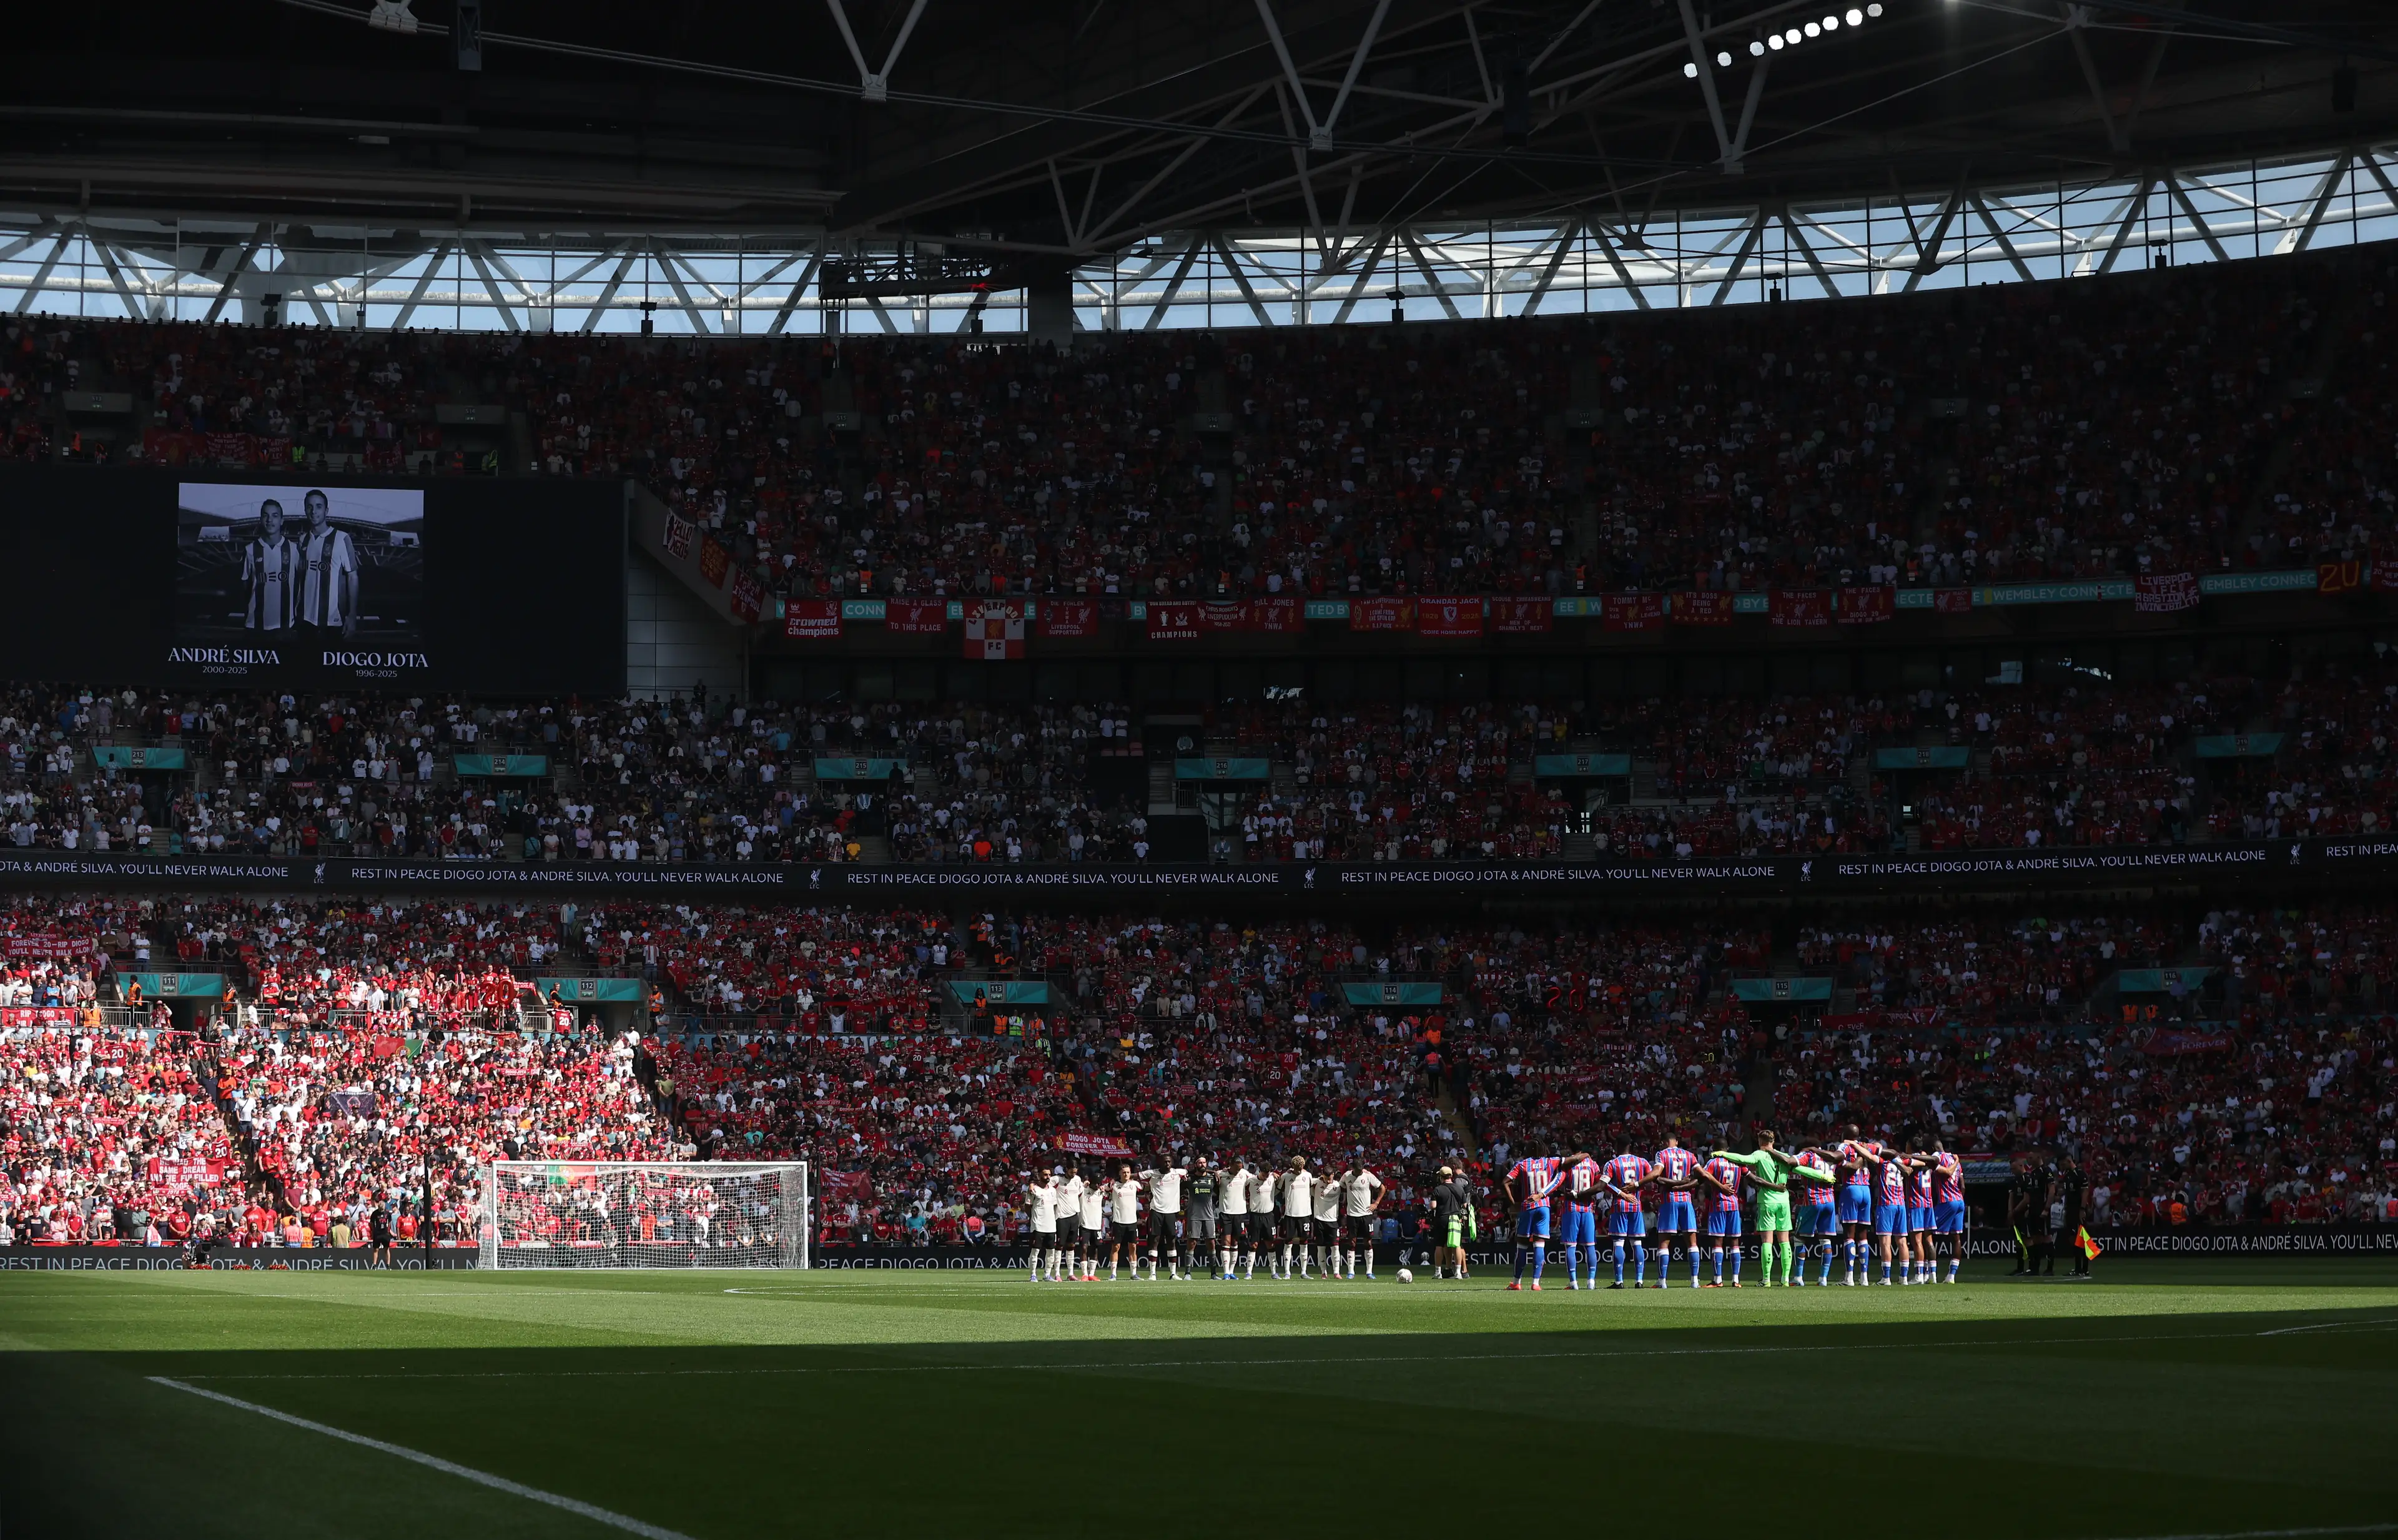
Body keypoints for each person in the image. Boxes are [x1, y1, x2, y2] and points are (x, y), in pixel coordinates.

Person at [1710, 1132, 1832, 1287]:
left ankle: (1766, 1280)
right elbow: (1801, 1170)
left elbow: (1743, 1159)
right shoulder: (1783, 1156)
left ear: (1760, 1140)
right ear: (1773, 1141)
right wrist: (1822, 1177)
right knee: (1784, 1241)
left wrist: (1722, 1154)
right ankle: (1785, 1280)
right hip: (1784, 1202)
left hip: (1767, 1201)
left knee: (1767, 1241)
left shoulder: (1760, 1154)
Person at [294, 488, 360, 641]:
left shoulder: (342, 538)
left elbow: (352, 578)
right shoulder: (303, 540)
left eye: (318, 506)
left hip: (333, 621)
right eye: (309, 507)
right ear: (305, 510)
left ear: (326, 510)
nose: (314, 511)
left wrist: (352, 615)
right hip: (305, 619)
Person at [1503, 1147, 1561, 1291]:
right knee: (1539, 1245)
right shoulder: (1550, 1162)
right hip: (1544, 1207)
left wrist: (1513, 1202)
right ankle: (1536, 1283)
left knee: (1522, 1246)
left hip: (1527, 1206)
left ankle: (1517, 1282)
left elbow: (1505, 1182)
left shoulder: (1522, 1164)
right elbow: (1570, 1161)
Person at [1650, 1133, 1704, 1290]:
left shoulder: (1662, 1154)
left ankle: (1662, 1281)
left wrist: (1675, 1185)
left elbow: (1657, 1177)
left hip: (1669, 1200)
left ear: (1663, 1143)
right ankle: (1695, 1281)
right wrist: (1683, 1185)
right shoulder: (1689, 1155)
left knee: (1664, 1242)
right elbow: (1700, 1178)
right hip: (1686, 1201)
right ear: (1677, 1142)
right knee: (1692, 1243)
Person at [1867, 1143, 1922, 1285]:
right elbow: (1922, 1162)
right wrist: (1910, 1158)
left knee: (1885, 1242)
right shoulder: (1902, 1160)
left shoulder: (1881, 1161)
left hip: (1886, 1204)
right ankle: (1903, 1278)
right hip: (1901, 1204)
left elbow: (1868, 1155)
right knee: (1902, 1242)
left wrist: (1856, 1145)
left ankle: (1886, 1278)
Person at [1601, 1143, 1654, 1288]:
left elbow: (1605, 1184)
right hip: (1636, 1205)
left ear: (1616, 1149)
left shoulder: (1612, 1163)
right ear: (1630, 1147)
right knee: (1637, 1244)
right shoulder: (1641, 1162)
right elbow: (1652, 1177)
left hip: (1620, 1206)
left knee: (1619, 1243)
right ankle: (1639, 1281)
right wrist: (1638, 1185)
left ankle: (1619, 1281)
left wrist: (1621, 1194)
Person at [242, 498, 299, 633]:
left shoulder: (294, 550)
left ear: (282, 521)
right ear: (261, 520)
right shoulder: (250, 550)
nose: (270, 520)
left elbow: (301, 585)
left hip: (286, 626)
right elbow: (245, 586)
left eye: (275, 516)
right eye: (265, 515)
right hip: (255, 625)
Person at [1835, 1127, 1882, 1286]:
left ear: (1846, 1136)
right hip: (1866, 1190)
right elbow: (1880, 1148)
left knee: (1849, 1235)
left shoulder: (1845, 1146)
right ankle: (1865, 1278)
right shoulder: (1867, 1146)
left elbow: (1843, 1162)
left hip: (1851, 1188)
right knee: (1863, 1236)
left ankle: (1849, 1277)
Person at [1695, 1149, 1747, 1288]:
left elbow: (1703, 1174)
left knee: (1718, 1243)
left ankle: (1718, 1280)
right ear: (1728, 1150)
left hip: (1718, 1204)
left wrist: (1720, 1186)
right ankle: (1736, 1280)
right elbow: (1749, 1176)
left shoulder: (1715, 1162)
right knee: (1735, 1243)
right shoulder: (1737, 1162)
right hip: (1734, 1205)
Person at [1557, 1150, 1607, 1290]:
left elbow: (1559, 1182)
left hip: (1571, 1208)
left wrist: (1565, 1190)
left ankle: (1574, 1283)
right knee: (1590, 1246)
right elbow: (1599, 1182)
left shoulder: (1568, 1164)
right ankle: (1591, 1281)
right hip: (1588, 1209)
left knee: (1570, 1247)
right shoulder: (1593, 1164)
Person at [1138, 1157, 1187, 1280]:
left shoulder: (1178, 1173)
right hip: (1156, 1212)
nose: (1168, 1163)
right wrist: (1117, 1180)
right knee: (1154, 1240)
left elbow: (1190, 1171)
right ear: (1160, 1162)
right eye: (1165, 1161)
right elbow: (1133, 1176)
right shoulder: (1152, 1174)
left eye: (1170, 1161)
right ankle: (1152, 1273)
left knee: (1172, 1241)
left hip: (1171, 1213)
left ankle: (1173, 1273)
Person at [1339, 1159, 1384, 1280]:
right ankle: (1351, 1272)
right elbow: (1341, 1187)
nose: (1359, 1172)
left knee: (1368, 1242)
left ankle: (1369, 1272)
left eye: (1361, 1170)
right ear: (1352, 1168)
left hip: (1366, 1214)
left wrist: (1376, 1203)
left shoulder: (1368, 1176)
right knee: (1352, 1243)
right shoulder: (1347, 1176)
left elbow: (1382, 1188)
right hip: (1352, 1215)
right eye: (1357, 1170)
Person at [1929, 1143, 1967, 1283]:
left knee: (1927, 1234)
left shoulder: (1937, 1157)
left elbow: (1945, 1172)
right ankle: (1952, 1276)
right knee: (1956, 1239)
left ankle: (1929, 1273)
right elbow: (1962, 1186)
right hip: (1960, 1201)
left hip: (1947, 1201)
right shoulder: (1954, 1159)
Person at [1277, 1158, 1315, 1281]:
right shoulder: (1285, 1176)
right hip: (1290, 1214)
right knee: (1288, 1242)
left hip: (1305, 1214)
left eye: (1301, 1168)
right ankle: (1287, 1272)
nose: (1299, 1171)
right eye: (1297, 1168)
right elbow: (1278, 1189)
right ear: (1292, 1166)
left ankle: (1304, 1272)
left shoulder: (1308, 1176)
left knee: (1304, 1242)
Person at [1183, 1155, 1218, 1281]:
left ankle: (1214, 1274)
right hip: (1194, 1215)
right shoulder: (1190, 1179)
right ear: (1196, 1164)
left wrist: (1214, 1172)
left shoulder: (1212, 1178)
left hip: (1209, 1215)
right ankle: (1187, 1273)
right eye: (1200, 1162)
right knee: (1192, 1243)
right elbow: (1181, 1190)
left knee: (1211, 1243)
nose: (1203, 1164)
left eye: (1204, 1162)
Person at [1105, 1162, 1142, 1280]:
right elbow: (1102, 1188)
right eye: (1124, 1173)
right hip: (1119, 1221)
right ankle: (1113, 1274)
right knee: (1116, 1247)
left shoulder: (1135, 1184)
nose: (1126, 1174)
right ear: (1120, 1174)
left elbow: (1147, 1186)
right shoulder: (1114, 1186)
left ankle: (1134, 1274)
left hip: (1132, 1222)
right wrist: (1110, 1182)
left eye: (1128, 1172)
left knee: (1133, 1247)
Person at [1216, 1157, 1251, 1280]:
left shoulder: (1245, 1174)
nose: (1238, 1171)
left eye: (1240, 1168)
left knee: (1235, 1243)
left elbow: (1259, 1178)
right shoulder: (1221, 1174)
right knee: (1226, 1242)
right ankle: (1225, 1273)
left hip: (1240, 1213)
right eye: (1236, 1168)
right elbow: (1206, 1173)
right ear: (1230, 1165)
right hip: (1225, 1213)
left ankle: (1231, 1272)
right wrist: (1213, 1172)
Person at [1025, 1168, 1060, 1283]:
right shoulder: (1033, 1189)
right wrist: (1034, 1218)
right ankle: (1033, 1275)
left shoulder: (1053, 1191)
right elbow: (1027, 1206)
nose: (1048, 1177)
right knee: (1035, 1251)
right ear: (1040, 1175)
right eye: (1045, 1175)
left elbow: (1055, 1207)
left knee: (1051, 1251)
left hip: (1051, 1226)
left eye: (1049, 1175)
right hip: (1038, 1225)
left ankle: (1047, 1275)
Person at [1057, 1164, 1088, 1281]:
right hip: (1061, 1217)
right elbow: (1045, 1184)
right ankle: (1057, 1274)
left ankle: (1071, 1274)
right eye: (1071, 1172)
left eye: (1075, 1172)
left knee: (1072, 1246)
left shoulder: (1078, 1180)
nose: (1073, 1174)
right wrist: (1032, 1184)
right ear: (1066, 1170)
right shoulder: (1058, 1180)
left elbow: (1080, 1193)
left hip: (1074, 1216)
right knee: (1059, 1246)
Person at [1076, 1167, 1107, 1281]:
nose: (1098, 1186)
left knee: (1095, 1249)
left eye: (1100, 1183)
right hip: (1085, 1224)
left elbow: (1111, 1186)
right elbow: (1076, 1187)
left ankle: (1092, 1274)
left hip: (1097, 1225)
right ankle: (1084, 1274)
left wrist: (1104, 1190)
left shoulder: (1101, 1192)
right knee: (1084, 1247)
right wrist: (1084, 1185)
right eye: (1096, 1184)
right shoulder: (1084, 1191)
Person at [367, 1202, 393, 1266]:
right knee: (376, 1249)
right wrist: (374, 1230)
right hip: (377, 1233)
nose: (381, 1210)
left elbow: (389, 1222)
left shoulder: (387, 1214)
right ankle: (375, 1265)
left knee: (387, 1249)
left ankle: (388, 1265)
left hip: (385, 1233)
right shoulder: (375, 1213)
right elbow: (372, 1223)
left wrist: (388, 1230)